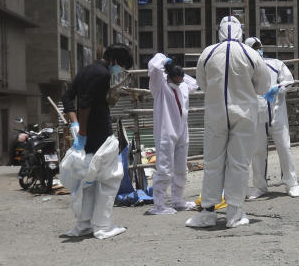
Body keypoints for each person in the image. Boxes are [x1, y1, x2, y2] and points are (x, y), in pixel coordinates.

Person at [188, 16, 272, 228]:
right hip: (244, 113)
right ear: (240, 31)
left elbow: (202, 83)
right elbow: (263, 86)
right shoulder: (250, 53)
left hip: (216, 112)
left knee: (213, 162)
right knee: (239, 162)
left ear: (220, 31)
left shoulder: (207, 53)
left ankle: (208, 212)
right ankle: (235, 213)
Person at [61, 43, 134, 238]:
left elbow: (67, 97)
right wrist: (83, 132)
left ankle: (83, 225)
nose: (120, 71)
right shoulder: (103, 75)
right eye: (122, 66)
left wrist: (75, 126)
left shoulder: (85, 71)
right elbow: (85, 104)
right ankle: (102, 226)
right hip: (99, 133)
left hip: (85, 135)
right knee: (110, 178)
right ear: (115, 60)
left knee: (88, 180)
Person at [244, 37, 299, 199]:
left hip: (277, 113)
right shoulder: (246, 68)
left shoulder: (275, 63)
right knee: (258, 151)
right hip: (256, 115)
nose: (259, 49)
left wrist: (277, 88)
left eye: (259, 46)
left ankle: (292, 184)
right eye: (254, 47)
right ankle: (260, 186)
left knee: (284, 148)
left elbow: (289, 80)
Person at [147, 52, 199, 214]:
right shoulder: (159, 86)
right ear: (168, 76)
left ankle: (177, 200)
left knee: (181, 169)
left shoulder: (183, 85)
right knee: (164, 169)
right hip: (165, 132)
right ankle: (159, 205)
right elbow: (154, 66)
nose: (179, 81)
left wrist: (176, 68)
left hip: (182, 132)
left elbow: (195, 84)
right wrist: (165, 63)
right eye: (176, 78)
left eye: (181, 78)